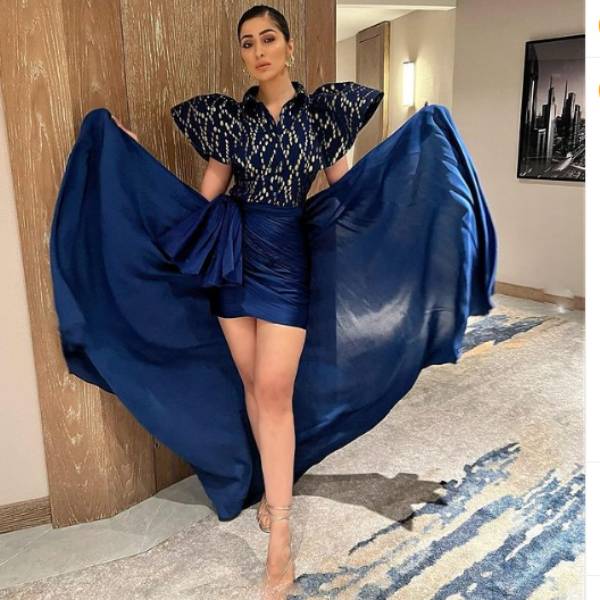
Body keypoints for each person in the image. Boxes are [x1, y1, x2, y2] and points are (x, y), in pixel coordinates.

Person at [51, 4, 496, 598]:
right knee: (252, 386)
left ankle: (279, 534)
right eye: (247, 43)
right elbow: (204, 201)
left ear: (288, 47)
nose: (258, 51)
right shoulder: (229, 122)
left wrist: (411, 169)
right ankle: (269, 489)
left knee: (274, 391)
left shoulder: (322, 119)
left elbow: (351, 199)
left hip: (288, 267)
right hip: (233, 263)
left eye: (267, 39)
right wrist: (129, 161)